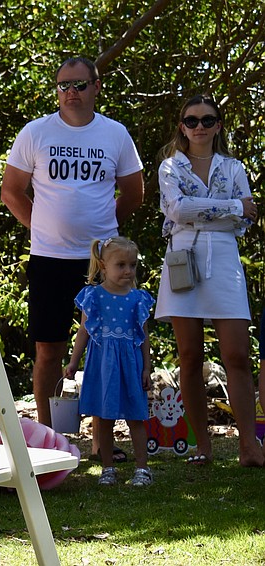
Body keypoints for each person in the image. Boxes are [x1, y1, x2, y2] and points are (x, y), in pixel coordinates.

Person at [0, 56, 145, 462]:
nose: (71, 93)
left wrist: (104, 234)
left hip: (101, 263)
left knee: (107, 347)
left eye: (80, 85)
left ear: (97, 87)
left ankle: (102, 441)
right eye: (64, 85)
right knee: (48, 349)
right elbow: (11, 191)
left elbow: (134, 192)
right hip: (49, 258)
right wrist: (41, 228)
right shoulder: (36, 132)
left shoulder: (114, 134)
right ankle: (45, 440)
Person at [154, 94, 264, 467]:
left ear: (218, 125)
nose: (199, 127)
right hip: (183, 259)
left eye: (207, 120)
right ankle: (203, 447)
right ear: (181, 126)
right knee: (189, 356)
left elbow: (246, 222)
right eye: (191, 120)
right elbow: (177, 209)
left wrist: (214, 213)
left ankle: (249, 446)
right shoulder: (170, 167)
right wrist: (231, 207)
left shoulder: (234, 167)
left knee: (237, 354)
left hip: (224, 260)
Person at [64, 237, 154, 486]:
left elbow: (143, 336)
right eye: (121, 265)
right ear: (103, 265)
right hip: (102, 365)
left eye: (133, 265)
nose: (128, 271)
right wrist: (73, 362)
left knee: (136, 416)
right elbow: (83, 332)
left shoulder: (138, 299)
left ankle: (142, 469)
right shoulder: (93, 296)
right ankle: (108, 468)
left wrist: (146, 367)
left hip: (130, 365)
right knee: (103, 417)